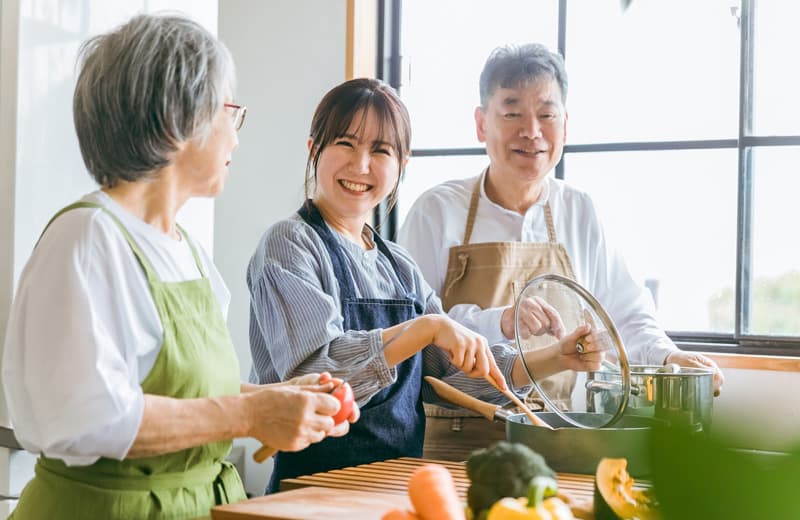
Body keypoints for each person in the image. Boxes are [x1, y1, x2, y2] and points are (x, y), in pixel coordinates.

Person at [1, 14, 358, 519]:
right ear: (177, 121)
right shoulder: (86, 239)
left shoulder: (184, 247)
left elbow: (180, 390)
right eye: (229, 111)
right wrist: (252, 413)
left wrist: (280, 397)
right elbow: (86, 418)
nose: (236, 136)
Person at [247, 77, 604, 492]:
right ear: (314, 149)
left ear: (401, 165)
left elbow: (452, 373)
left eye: (381, 150)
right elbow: (315, 379)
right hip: (310, 493)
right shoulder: (290, 244)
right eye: (346, 143)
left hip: (396, 487)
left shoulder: (397, 264)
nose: (361, 165)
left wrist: (556, 357)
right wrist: (424, 328)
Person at [398, 43, 725, 458]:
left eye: (547, 115)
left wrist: (670, 357)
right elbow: (414, 333)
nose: (531, 131)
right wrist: (502, 321)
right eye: (512, 112)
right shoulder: (435, 211)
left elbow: (625, 317)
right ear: (481, 124)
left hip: (554, 441)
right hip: (454, 443)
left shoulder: (580, 212)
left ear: (565, 126)